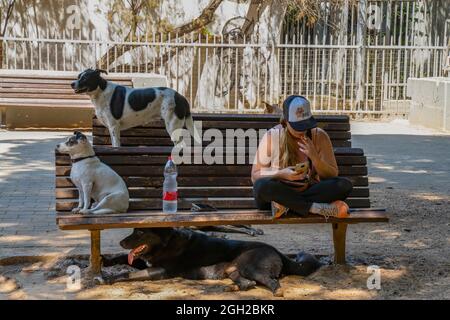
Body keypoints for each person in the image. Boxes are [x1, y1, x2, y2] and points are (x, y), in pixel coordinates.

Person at [252, 95, 353, 219]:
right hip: (278, 193)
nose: (303, 130)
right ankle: (315, 208)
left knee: (344, 185)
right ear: (285, 122)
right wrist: (280, 173)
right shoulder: (272, 136)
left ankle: (288, 207)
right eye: (297, 126)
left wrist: (315, 158)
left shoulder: (319, 136)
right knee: (261, 186)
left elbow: (332, 175)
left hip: (306, 192)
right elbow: (255, 175)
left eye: (306, 125)